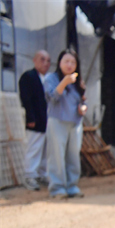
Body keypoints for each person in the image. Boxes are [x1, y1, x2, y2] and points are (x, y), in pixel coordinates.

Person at [43, 48, 87, 199]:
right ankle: (57, 188)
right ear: (59, 63)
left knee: (73, 155)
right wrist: (64, 82)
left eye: (73, 62)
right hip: (57, 121)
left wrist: (83, 108)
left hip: (75, 123)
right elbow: (52, 97)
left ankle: (72, 185)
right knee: (56, 155)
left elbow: (81, 101)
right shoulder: (51, 78)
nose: (69, 65)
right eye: (66, 61)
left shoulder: (78, 82)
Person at [18, 50, 51, 191]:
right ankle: (29, 175)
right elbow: (26, 98)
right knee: (34, 148)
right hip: (35, 120)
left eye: (48, 60)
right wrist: (30, 118)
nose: (45, 63)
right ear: (34, 60)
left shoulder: (48, 79)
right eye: (42, 59)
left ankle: (42, 174)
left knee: (45, 150)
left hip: (46, 121)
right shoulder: (28, 77)